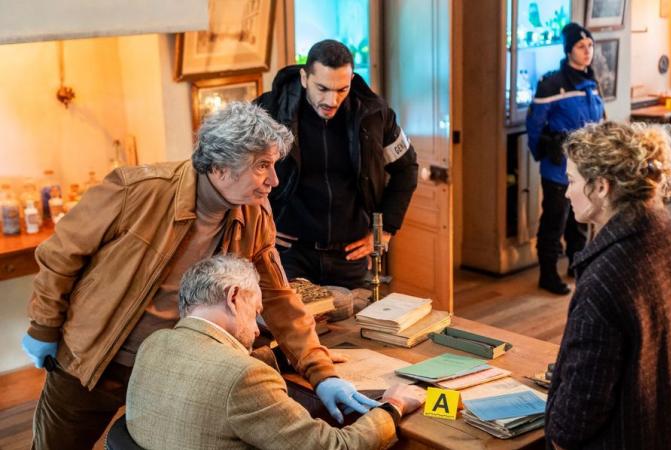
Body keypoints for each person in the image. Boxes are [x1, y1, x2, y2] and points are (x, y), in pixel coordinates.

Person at [20, 102, 376, 450]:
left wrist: (321, 372)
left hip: (170, 369)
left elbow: (278, 296)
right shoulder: (137, 191)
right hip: (91, 364)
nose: (274, 180)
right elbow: (59, 256)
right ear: (221, 167)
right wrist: (43, 327)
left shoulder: (254, 213)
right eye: (262, 166)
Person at [126, 255, 426, 449]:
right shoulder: (245, 378)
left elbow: (205, 365)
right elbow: (337, 447)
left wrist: (284, 358)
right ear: (233, 298)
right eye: (256, 311)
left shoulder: (155, 344)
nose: (257, 330)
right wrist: (393, 406)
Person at [545, 121, 671, 449]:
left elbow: (577, 416)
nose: (566, 190)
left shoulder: (604, 279)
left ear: (601, 187)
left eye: (572, 180)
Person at [256, 39, 418, 289]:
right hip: (289, 254)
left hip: (350, 255)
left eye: (342, 89)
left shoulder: (375, 115)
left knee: (353, 328)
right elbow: (237, 171)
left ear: (351, 80)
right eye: (322, 88)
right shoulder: (268, 111)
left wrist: (385, 231)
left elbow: (406, 169)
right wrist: (260, 224)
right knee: (293, 327)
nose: (331, 100)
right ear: (304, 78)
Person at [526, 22, 605, 295]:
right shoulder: (552, 84)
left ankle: (577, 265)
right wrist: (544, 149)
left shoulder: (591, 81)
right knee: (554, 221)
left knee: (580, 220)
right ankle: (547, 275)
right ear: (569, 50)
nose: (588, 51)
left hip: (585, 166)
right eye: (581, 46)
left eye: (590, 46)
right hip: (558, 169)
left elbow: (599, 120)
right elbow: (535, 125)